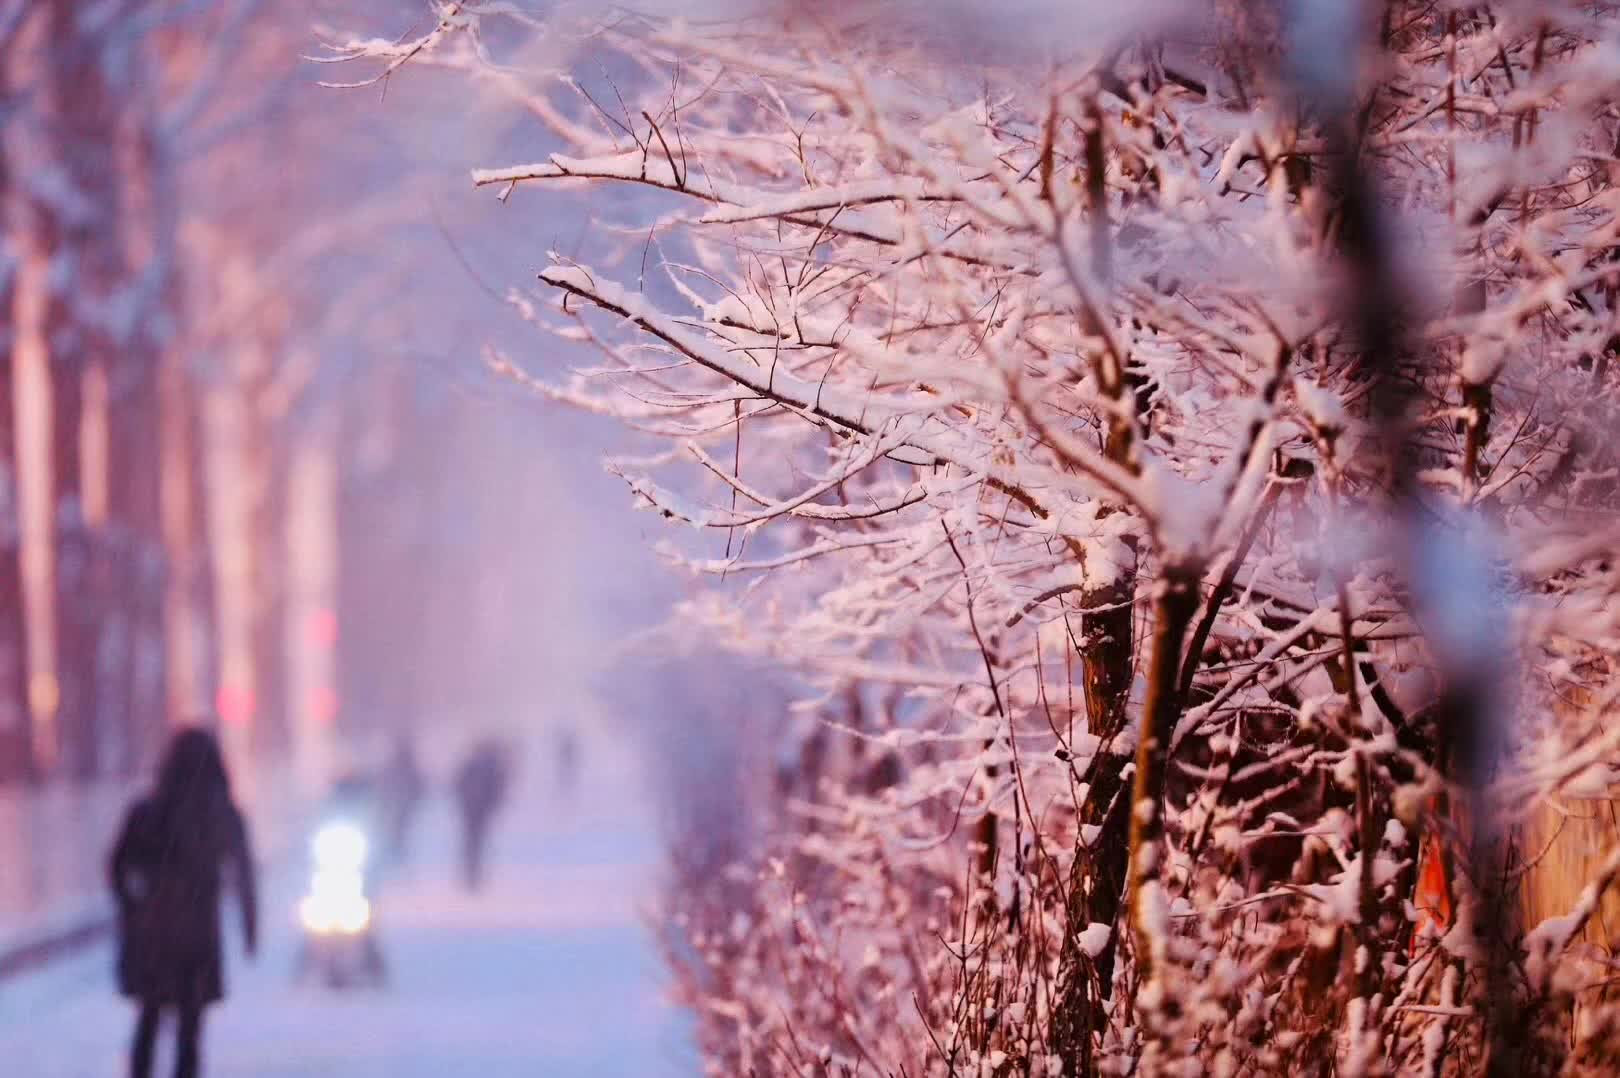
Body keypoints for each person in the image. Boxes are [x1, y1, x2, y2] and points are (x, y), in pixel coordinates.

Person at [108, 727, 258, 1078]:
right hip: (197, 935)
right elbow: (245, 873)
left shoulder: (146, 812)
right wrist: (250, 924)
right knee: (190, 1030)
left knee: (149, 1018)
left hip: (154, 931)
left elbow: (117, 866)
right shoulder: (222, 815)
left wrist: (133, 906)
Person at [452, 737, 512, 891]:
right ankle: (472, 874)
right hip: (477, 811)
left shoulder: (472, 765)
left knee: (472, 842)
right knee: (477, 842)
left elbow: (457, 785)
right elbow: (499, 790)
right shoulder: (492, 767)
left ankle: (471, 874)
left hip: (472, 810)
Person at [377, 733, 425, 866]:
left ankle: (395, 857)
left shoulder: (398, 766)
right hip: (400, 803)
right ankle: (396, 856)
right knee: (398, 830)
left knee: (396, 830)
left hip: (399, 803)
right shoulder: (406, 765)